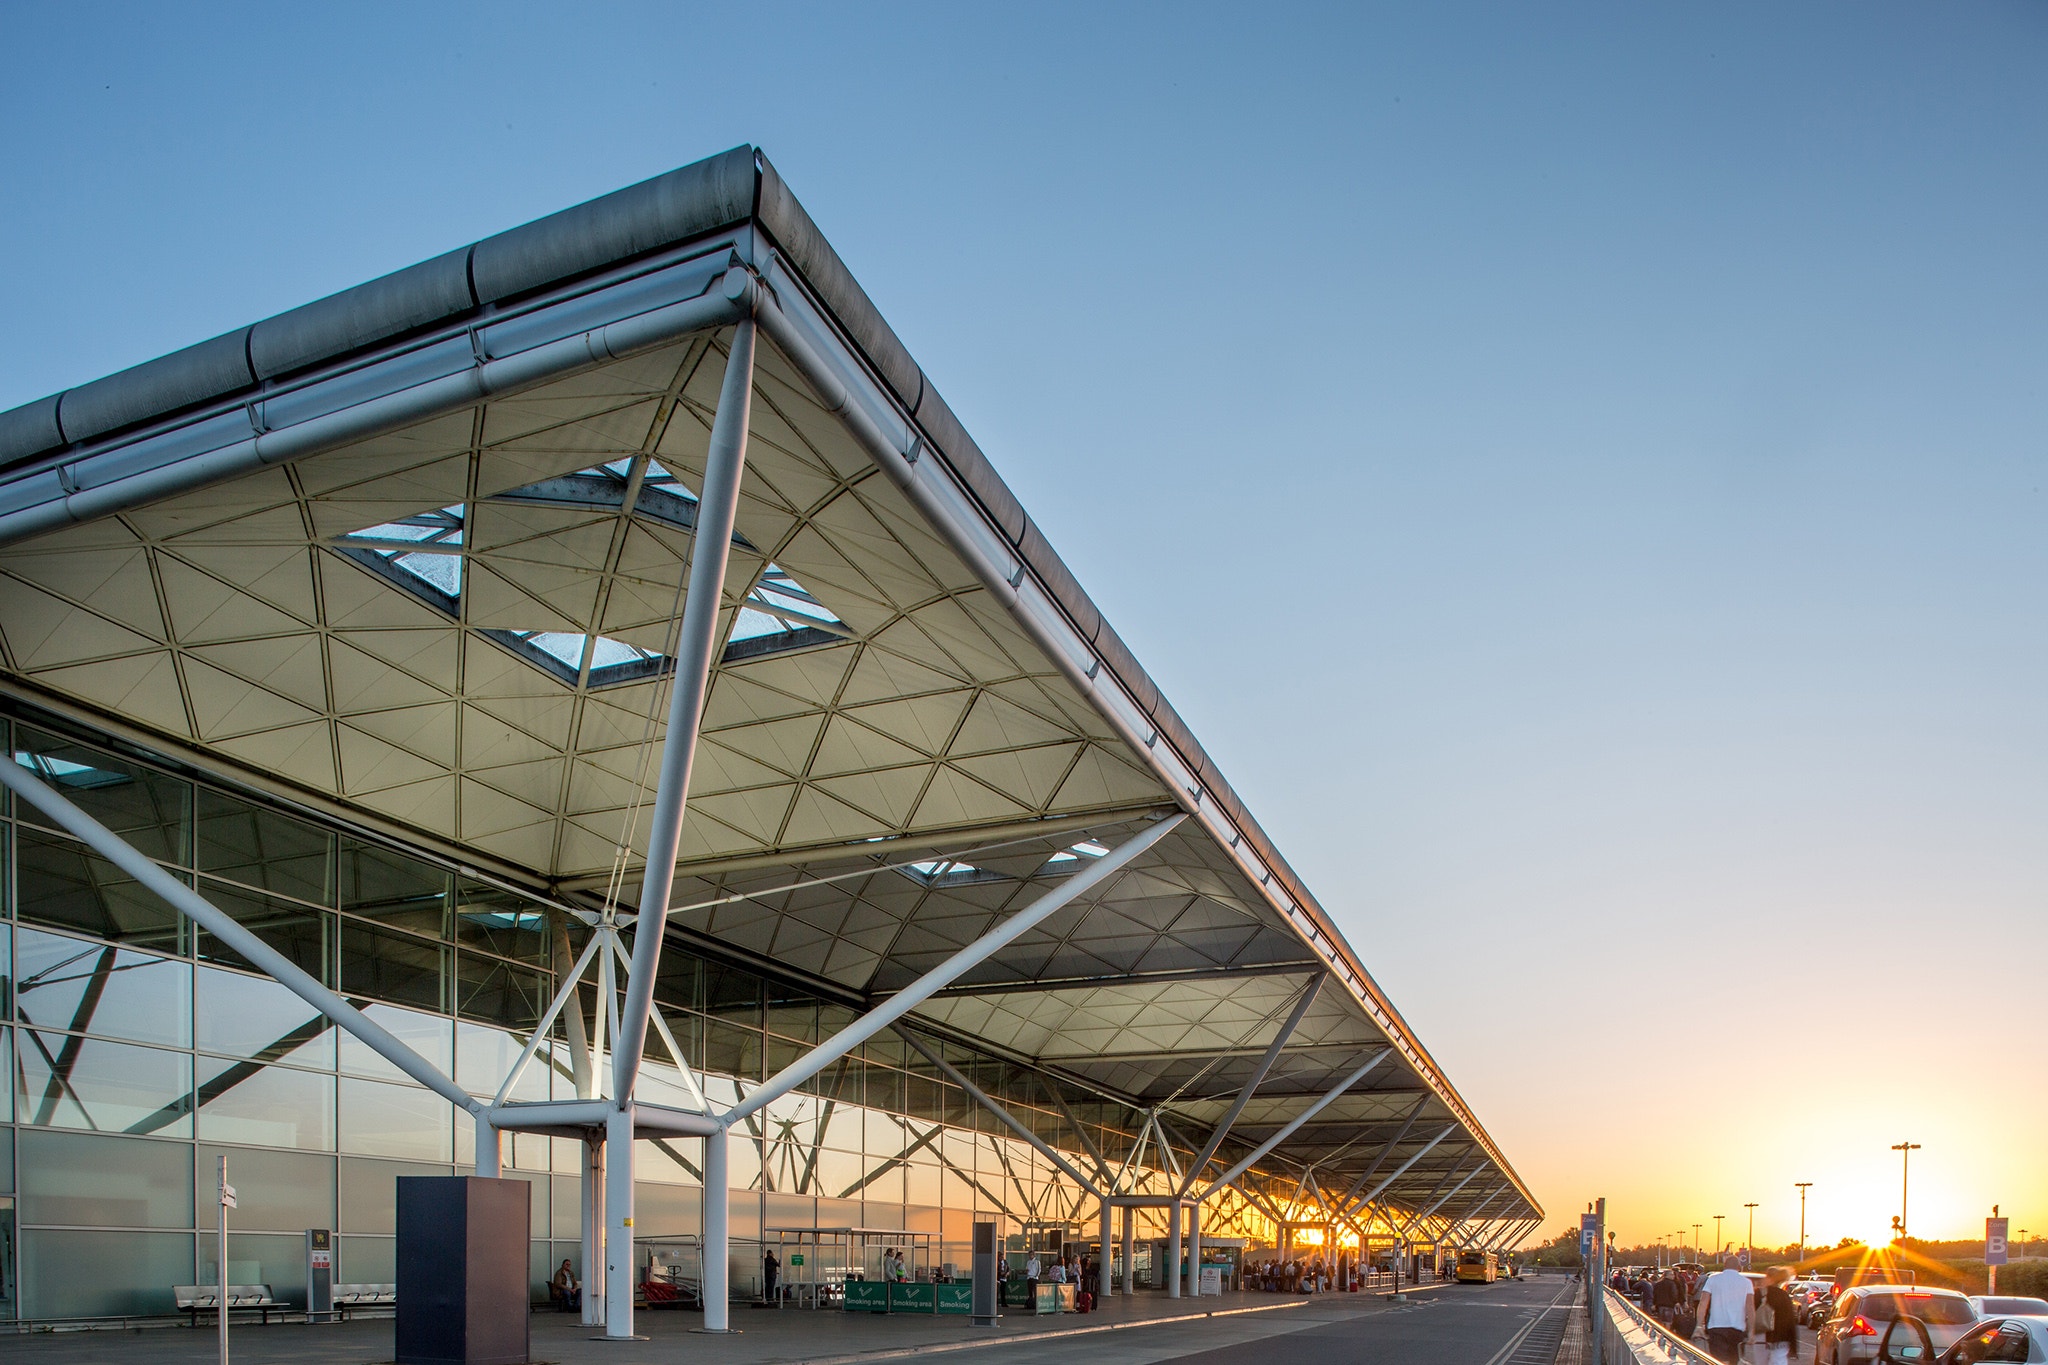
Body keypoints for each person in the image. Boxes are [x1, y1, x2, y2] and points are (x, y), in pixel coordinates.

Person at [1696, 1255, 1754, 1365]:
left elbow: (1703, 1303)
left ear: (1724, 1266)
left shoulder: (1713, 1279)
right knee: (1734, 1361)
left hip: (1716, 1327)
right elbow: (1750, 1308)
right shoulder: (1747, 1282)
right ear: (1739, 1267)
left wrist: (1699, 1325)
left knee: (1719, 1361)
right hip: (1737, 1328)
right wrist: (1751, 1331)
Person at [1756, 1267, 1799, 1365]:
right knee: (1779, 1361)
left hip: (1761, 1334)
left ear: (1769, 1278)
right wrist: (1793, 1346)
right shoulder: (1784, 1296)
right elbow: (1790, 1321)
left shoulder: (1758, 1294)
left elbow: (1749, 1312)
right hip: (1780, 1337)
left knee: (1761, 1362)